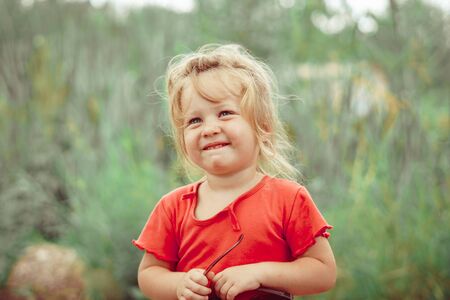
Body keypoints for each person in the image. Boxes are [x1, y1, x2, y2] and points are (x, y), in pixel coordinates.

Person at [133, 44, 336, 300]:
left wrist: (259, 273)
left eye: (225, 113)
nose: (209, 129)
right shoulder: (172, 208)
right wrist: (178, 283)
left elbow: (323, 272)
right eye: (195, 121)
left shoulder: (289, 199)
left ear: (261, 126)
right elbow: (149, 274)